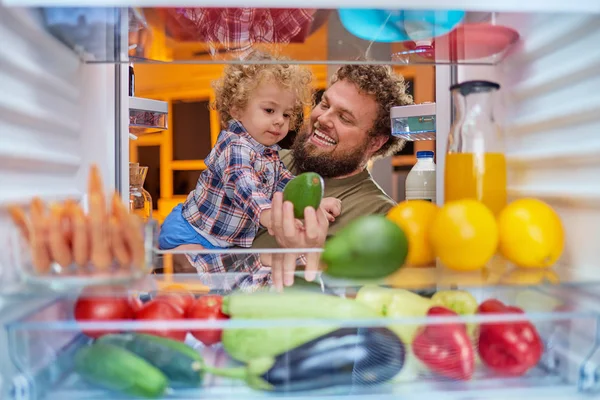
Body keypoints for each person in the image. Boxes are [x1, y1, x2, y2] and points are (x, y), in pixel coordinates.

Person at [184, 64, 414, 289]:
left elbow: (352, 304)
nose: (323, 119)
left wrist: (305, 255)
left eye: (344, 118)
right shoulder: (265, 160)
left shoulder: (378, 216)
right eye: (324, 104)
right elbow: (188, 246)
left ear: (375, 142)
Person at [158, 52, 341, 251]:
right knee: (188, 274)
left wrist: (313, 204)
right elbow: (243, 183)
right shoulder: (234, 147)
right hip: (190, 233)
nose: (280, 120)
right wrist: (267, 214)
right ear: (237, 109)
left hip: (221, 244)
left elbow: (285, 185)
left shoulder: (268, 154)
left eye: (286, 114)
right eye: (269, 110)